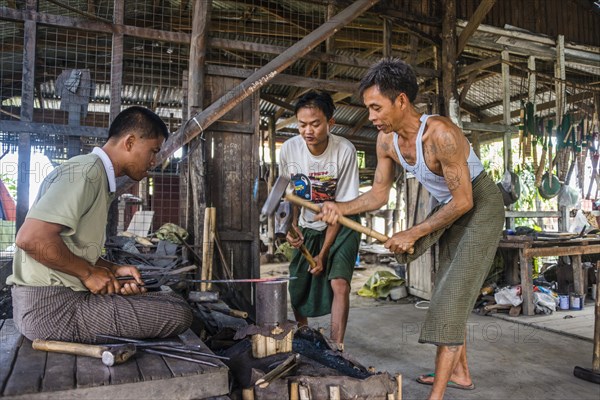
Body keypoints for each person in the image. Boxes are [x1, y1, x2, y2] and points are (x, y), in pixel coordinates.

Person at [318, 58, 504, 399]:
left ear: (401, 101)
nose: (371, 117)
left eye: (376, 107)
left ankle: (437, 396)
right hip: (451, 205)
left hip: (480, 204)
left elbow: (465, 201)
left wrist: (413, 232)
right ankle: (460, 373)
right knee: (449, 287)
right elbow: (378, 194)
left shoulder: (441, 134)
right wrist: (338, 208)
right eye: (369, 108)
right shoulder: (386, 142)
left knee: (451, 296)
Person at [8, 106, 192, 344]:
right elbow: (31, 239)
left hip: (58, 302)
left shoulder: (97, 176)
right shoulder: (87, 171)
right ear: (130, 142)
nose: (154, 161)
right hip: (50, 310)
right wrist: (88, 273)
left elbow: (70, 247)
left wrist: (111, 269)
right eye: (153, 151)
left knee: (169, 299)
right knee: (178, 313)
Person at [279, 90, 361, 349]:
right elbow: (290, 195)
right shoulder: (290, 149)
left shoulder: (345, 151)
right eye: (302, 124)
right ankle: (306, 339)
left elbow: (342, 206)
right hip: (307, 222)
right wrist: (292, 226)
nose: (308, 130)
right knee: (298, 285)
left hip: (343, 223)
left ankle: (336, 346)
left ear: (330, 123)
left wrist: (323, 254)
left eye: (315, 124)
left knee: (339, 283)